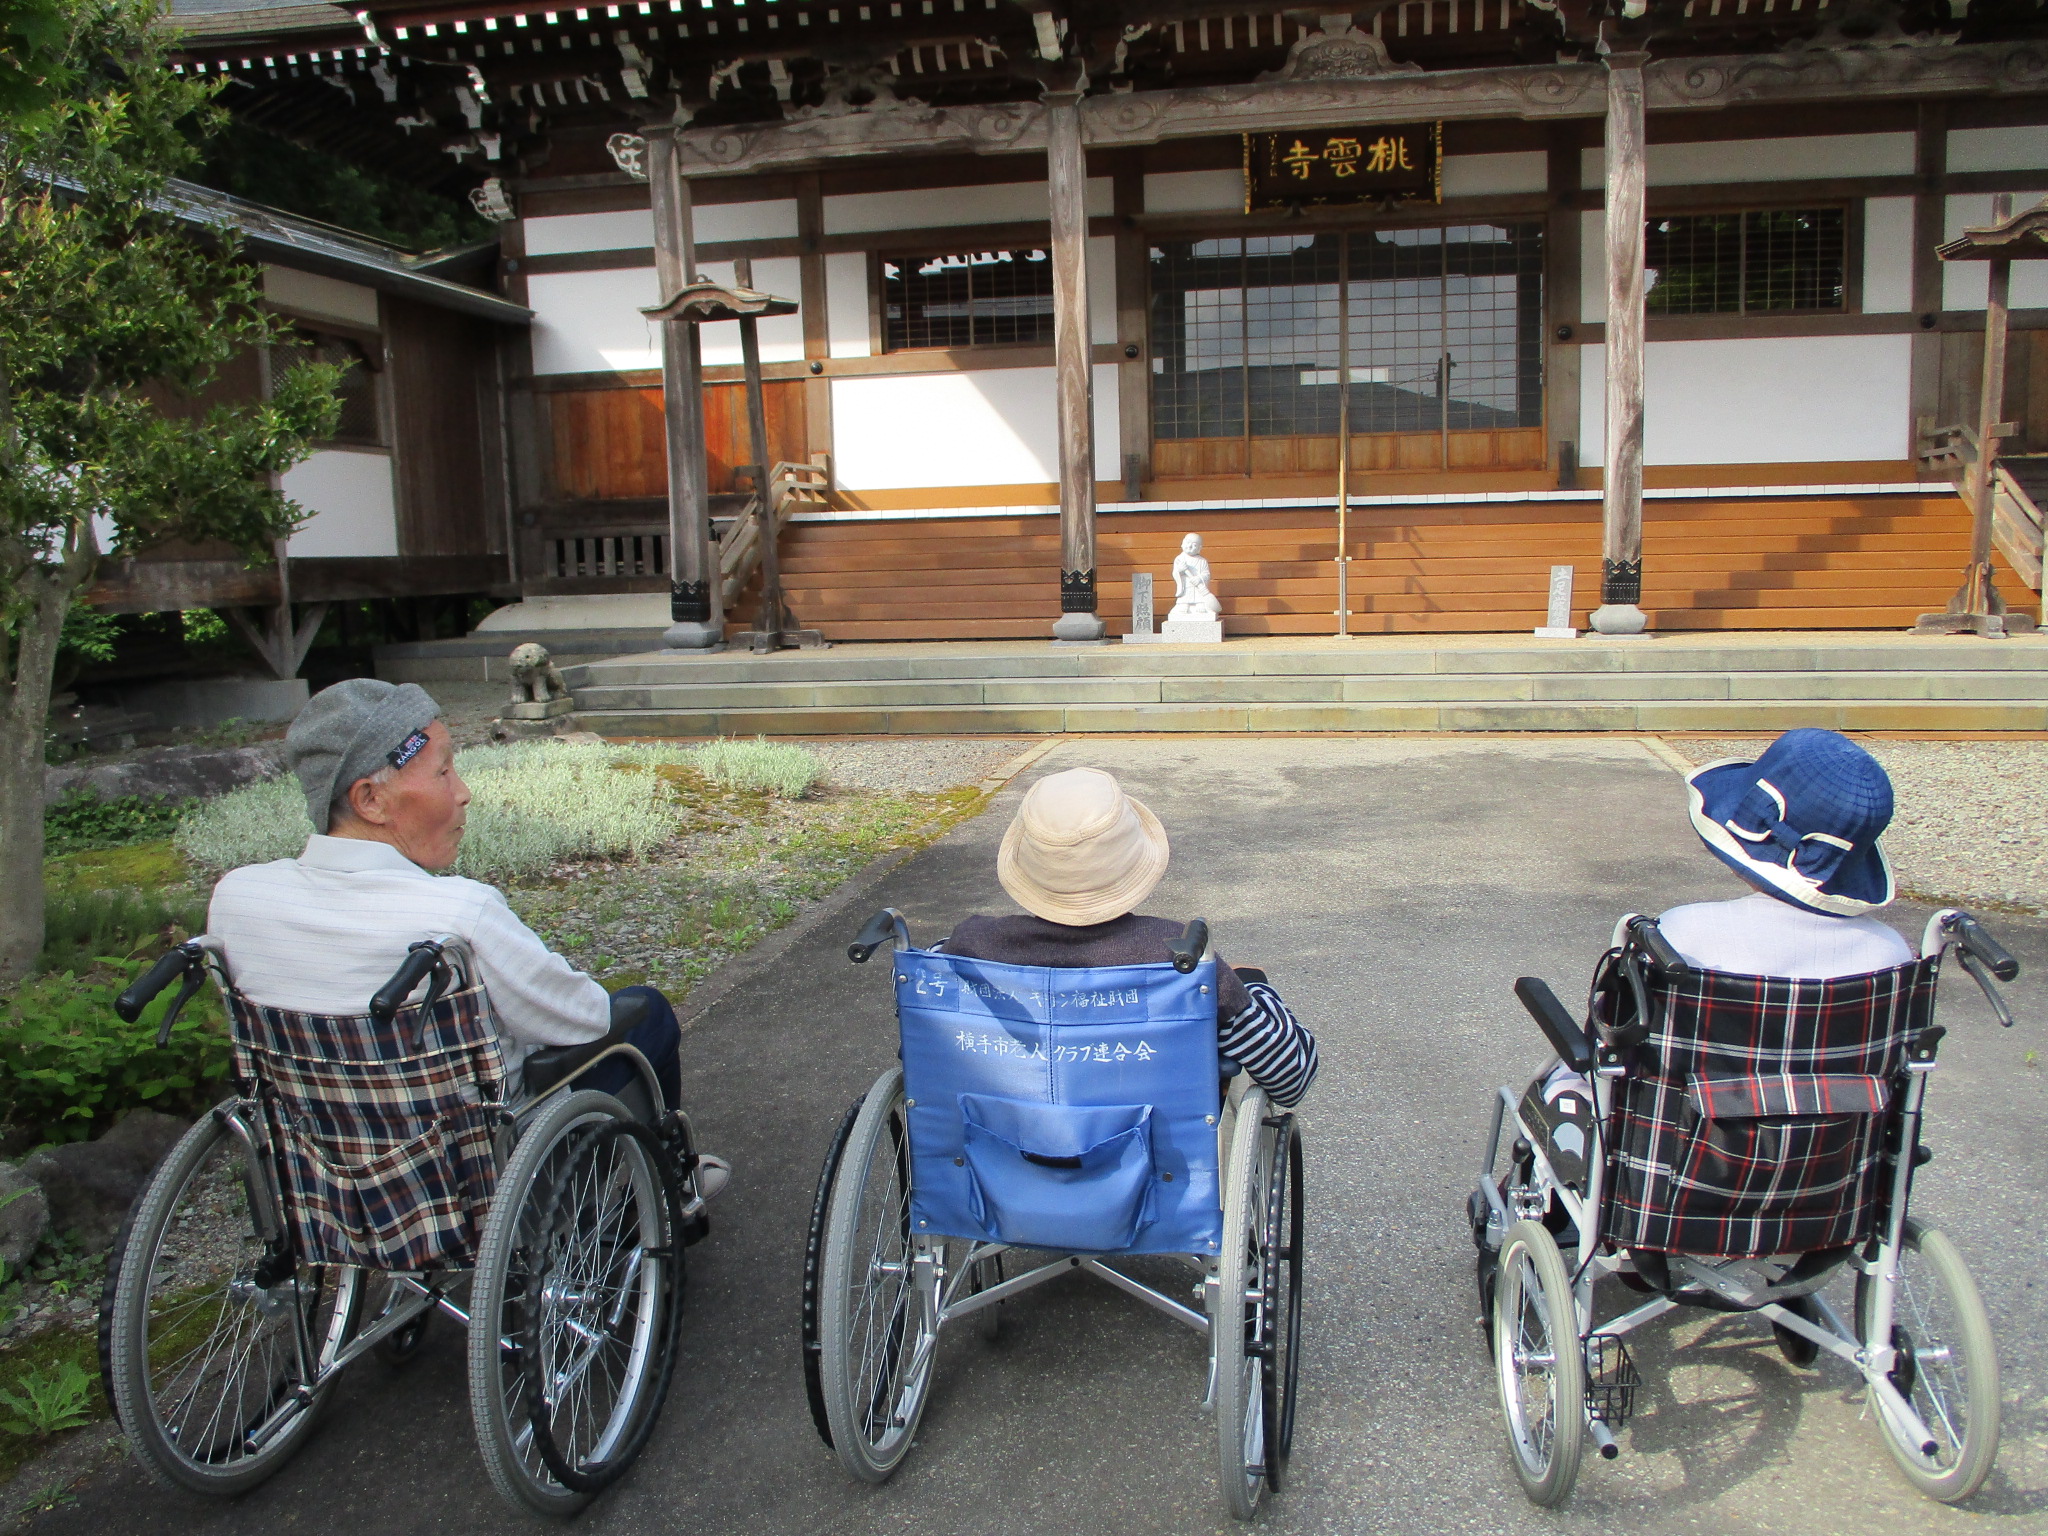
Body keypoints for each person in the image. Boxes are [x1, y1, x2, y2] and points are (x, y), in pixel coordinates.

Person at [207, 678, 729, 1196]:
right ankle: (667, 1189)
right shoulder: (455, 913)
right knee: (645, 1011)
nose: (463, 792)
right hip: (473, 1168)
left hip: (325, 1172)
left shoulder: (237, 898)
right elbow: (584, 1017)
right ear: (370, 799)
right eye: (443, 772)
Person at [1535, 727, 1912, 1117]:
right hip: (1833, 1167)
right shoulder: (1892, 956)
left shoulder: (1682, 936)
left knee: (1568, 1079)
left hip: (1680, 1160)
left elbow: (1612, 1049)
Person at [940, 766, 1318, 1109]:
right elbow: (1291, 1078)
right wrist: (1253, 987)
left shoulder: (964, 951)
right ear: (1134, 860)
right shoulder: (1181, 963)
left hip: (994, 1151)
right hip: (1152, 1163)